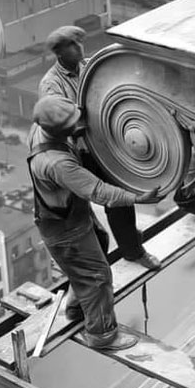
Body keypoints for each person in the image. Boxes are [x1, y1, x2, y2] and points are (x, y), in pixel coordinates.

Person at [28, 95, 161, 351]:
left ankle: (77, 306)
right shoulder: (57, 163)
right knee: (97, 276)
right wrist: (139, 197)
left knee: (99, 242)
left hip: (70, 217)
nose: (79, 126)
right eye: (73, 124)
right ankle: (102, 335)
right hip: (66, 231)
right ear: (60, 130)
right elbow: (99, 191)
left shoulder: (39, 127)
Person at [38, 25, 160, 270]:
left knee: (119, 198)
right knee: (87, 209)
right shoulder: (51, 85)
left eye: (79, 42)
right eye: (72, 45)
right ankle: (95, 268)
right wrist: (90, 118)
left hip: (103, 144)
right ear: (59, 53)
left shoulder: (88, 67)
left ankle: (132, 250)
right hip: (78, 152)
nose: (79, 48)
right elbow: (58, 123)